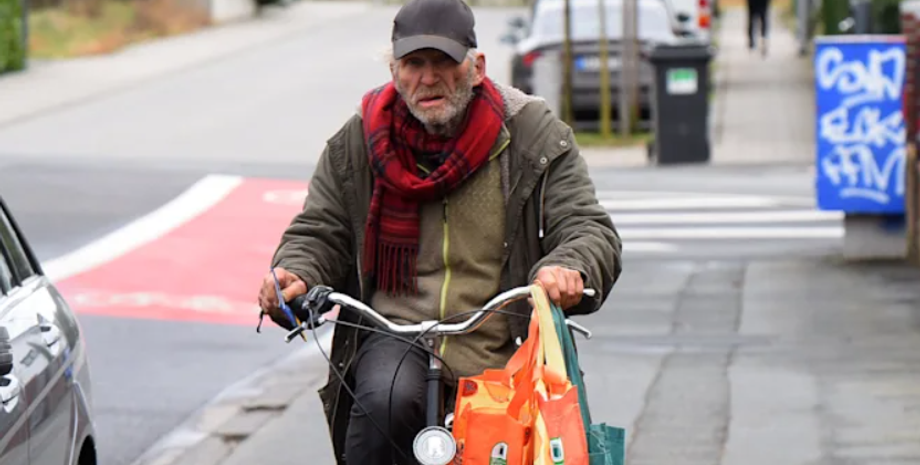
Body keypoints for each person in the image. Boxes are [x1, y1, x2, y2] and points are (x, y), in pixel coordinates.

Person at [256, 0, 622, 462]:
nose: (427, 79)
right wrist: (296, 274)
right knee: (382, 404)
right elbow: (319, 230)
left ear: (476, 67)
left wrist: (568, 266)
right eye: (413, 64)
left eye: (443, 62)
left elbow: (587, 226)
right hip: (396, 335)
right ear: (394, 70)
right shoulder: (357, 142)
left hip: (504, 340)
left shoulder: (533, 134)